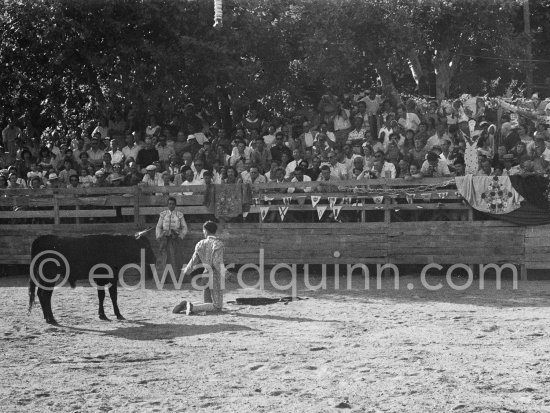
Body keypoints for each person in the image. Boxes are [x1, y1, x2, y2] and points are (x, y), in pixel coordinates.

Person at [173, 221, 226, 315]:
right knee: (217, 306)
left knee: (208, 304)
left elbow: (194, 260)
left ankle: (188, 304)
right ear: (215, 231)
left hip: (205, 274)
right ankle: (192, 306)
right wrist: (227, 274)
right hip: (215, 276)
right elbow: (216, 263)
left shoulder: (200, 244)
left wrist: (187, 270)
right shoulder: (218, 244)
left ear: (206, 231)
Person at [156, 197, 188, 276]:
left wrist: (181, 236)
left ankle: (176, 276)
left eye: (173, 204)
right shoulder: (163, 214)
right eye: (169, 203)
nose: (171, 205)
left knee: (176, 257)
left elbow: (184, 227)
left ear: (175, 205)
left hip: (175, 238)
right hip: (165, 238)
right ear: (167, 205)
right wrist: (158, 236)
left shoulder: (179, 214)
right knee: (163, 256)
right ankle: (164, 276)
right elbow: (158, 226)